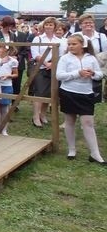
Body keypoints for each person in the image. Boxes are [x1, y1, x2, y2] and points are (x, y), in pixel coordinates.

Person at [57, 34, 104, 163]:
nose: (71, 46)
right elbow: (59, 75)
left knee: (88, 123)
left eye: (74, 44)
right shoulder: (65, 58)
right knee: (69, 121)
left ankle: (95, 154)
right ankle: (71, 149)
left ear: (82, 45)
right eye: (69, 44)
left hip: (86, 94)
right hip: (69, 93)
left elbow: (100, 74)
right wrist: (77, 73)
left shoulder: (91, 58)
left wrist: (93, 73)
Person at [30, 17, 67, 127]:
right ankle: (35, 116)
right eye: (46, 24)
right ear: (43, 26)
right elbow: (35, 53)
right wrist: (46, 63)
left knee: (49, 94)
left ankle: (43, 115)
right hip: (41, 68)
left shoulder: (59, 40)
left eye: (51, 24)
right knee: (40, 93)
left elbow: (61, 55)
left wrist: (52, 64)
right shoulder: (38, 39)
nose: (48, 26)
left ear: (55, 26)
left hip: (54, 69)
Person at [0, 45, 18, 135]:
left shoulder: (13, 61)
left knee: (4, 108)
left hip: (6, 85)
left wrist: (8, 76)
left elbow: (16, 74)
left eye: (1, 48)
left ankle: (4, 128)